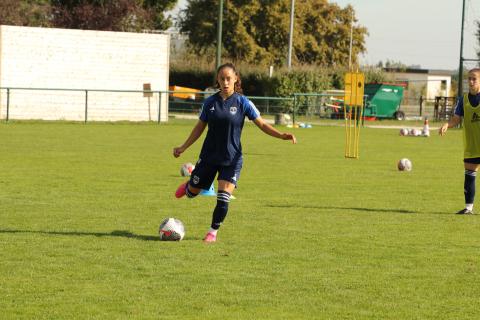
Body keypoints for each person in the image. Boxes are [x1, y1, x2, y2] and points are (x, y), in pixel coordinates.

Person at [173, 63, 297, 242]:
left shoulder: (243, 102)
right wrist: (183, 147)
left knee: (223, 198)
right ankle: (188, 187)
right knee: (192, 193)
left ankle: (212, 232)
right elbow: (199, 127)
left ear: (236, 79)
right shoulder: (210, 103)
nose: (225, 82)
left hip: (232, 159)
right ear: (217, 79)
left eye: (228, 78)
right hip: (209, 157)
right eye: (222, 78)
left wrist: (281, 135)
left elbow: (262, 124)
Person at [439, 68, 480, 214]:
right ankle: (468, 208)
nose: (471, 81)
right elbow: (456, 119)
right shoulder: (463, 100)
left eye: (474, 78)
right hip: (471, 145)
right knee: (469, 174)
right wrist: (447, 125)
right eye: (469, 78)